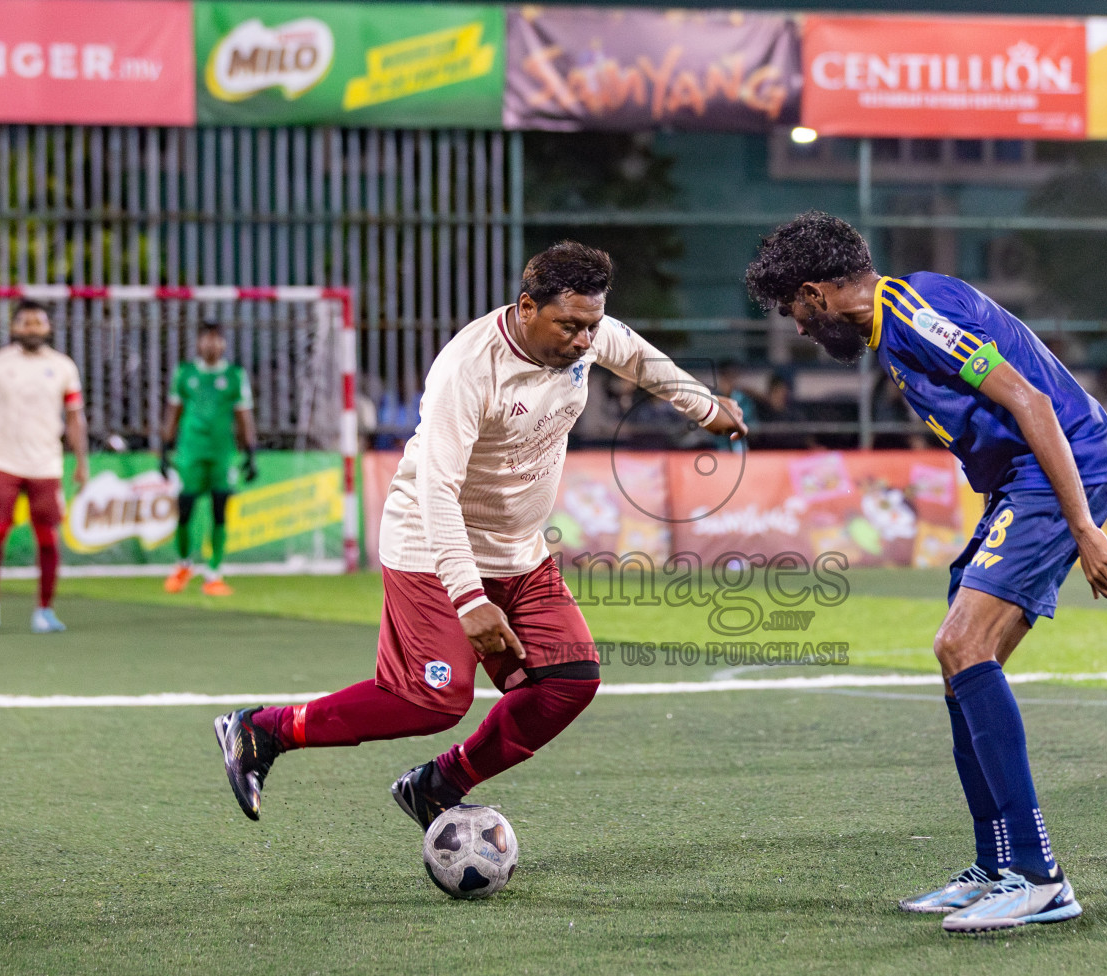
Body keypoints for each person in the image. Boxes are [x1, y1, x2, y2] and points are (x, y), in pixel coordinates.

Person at [213, 242, 746, 828]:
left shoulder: (587, 334)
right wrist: (469, 598)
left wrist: (700, 404)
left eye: (591, 325)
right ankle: (264, 730)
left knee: (568, 682)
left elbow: (636, 356)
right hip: (431, 542)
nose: (584, 341)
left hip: (520, 550)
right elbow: (436, 490)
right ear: (525, 308)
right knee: (429, 699)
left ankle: (438, 784)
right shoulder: (467, 370)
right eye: (569, 325)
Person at [744, 211, 1107, 934]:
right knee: (961, 666)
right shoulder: (894, 327)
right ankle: (996, 867)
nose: (799, 327)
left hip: (1057, 474)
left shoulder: (912, 313)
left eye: (794, 311)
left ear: (817, 292)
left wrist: (1085, 528)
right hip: (1022, 486)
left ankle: (1039, 876)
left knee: (961, 647)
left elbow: (1031, 400)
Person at [0, 300, 89, 634]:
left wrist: (81, 461)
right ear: (14, 327)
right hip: (3, 463)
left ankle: (45, 611)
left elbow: (75, 418)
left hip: (46, 466)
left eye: (38, 322)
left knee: (48, 540)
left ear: (48, 328)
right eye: (25, 322)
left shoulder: (63, 366)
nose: (32, 328)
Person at [160, 322, 257, 597]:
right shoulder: (185, 373)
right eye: (206, 340)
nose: (211, 345)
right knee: (185, 510)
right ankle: (183, 565)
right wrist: (165, 449)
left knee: (219, 511)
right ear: (198, 344)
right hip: (190, 452)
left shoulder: (235, 375)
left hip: (222, 454)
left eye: (216, 340)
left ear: (223, 345)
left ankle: (213, 573)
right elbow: (173, 412)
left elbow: (244, 416)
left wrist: (251, 452)